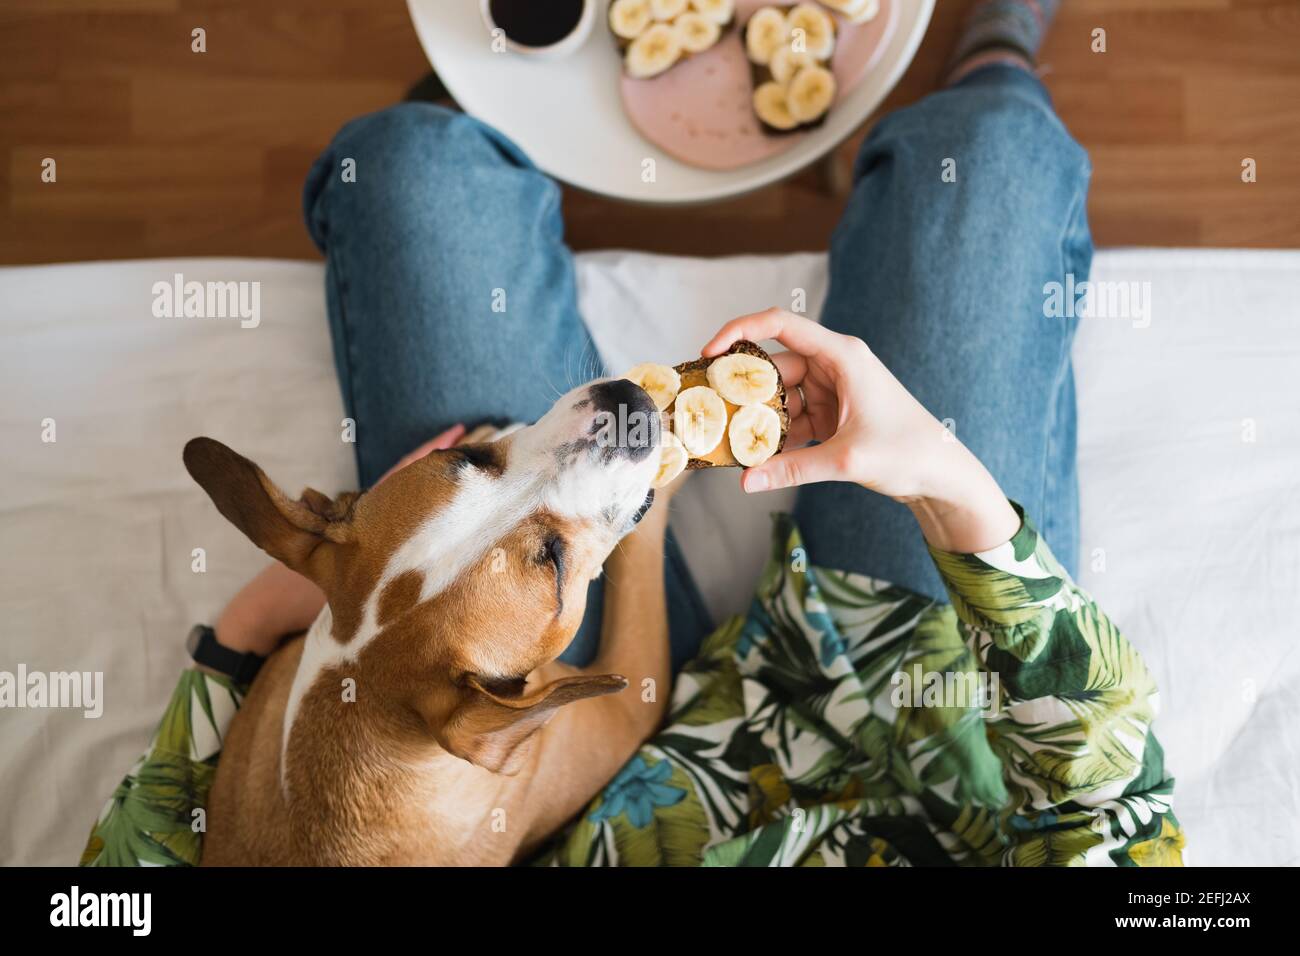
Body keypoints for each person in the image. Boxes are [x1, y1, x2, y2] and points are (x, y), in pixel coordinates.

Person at [81, 0, 1184, 867]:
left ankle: (506, 81)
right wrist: (950, 485)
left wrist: (234, 644)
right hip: (926, 698)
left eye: (483, 467)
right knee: (984, 157)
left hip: (581, 745)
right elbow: (1118, 817)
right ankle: (993, 48)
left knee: (412, 165)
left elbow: (121, 876)